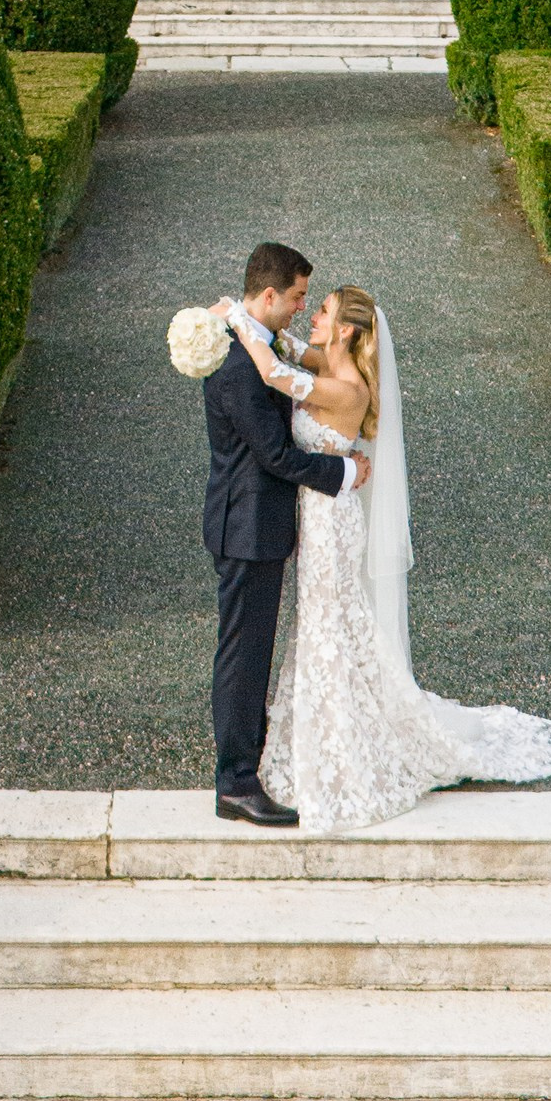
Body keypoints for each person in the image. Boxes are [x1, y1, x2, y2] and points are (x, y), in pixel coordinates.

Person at [260, 281, 551, 835]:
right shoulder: (331, 362)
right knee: (325, 625)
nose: (313, 317)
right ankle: (319, 738)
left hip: (332, 525)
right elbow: (295, 351)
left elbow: (277, 374)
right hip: (319, 513)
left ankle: (345, 753)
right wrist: (270, 327)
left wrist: (232, 324)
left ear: (346, 329)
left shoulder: (348, 391)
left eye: (321, 311)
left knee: (330, 625)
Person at [201, 241, 369, 828]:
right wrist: (343, 471)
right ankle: (236, 784)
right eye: (298, 297)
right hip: (246, 527)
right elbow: (274, 455)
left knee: (254, 653)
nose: (302, 308)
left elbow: (290, 362)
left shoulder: (256, 341)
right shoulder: (241, 363)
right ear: (269, 295)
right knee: (245, 659)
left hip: (260, 525)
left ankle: (251, 765)